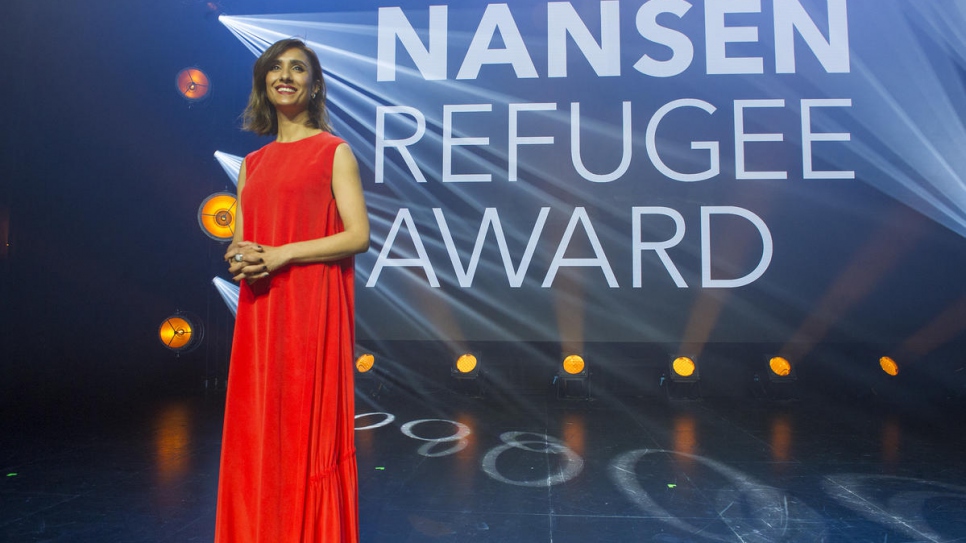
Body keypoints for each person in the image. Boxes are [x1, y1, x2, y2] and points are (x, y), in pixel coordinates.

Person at [214, 38, 369, 543]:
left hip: (310, 311)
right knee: (260, 433)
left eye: (298, 68)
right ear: (264, 83)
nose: (286, 75)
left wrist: (281, 255)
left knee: (305, 431)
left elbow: (357, 235)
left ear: (314, 84)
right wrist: (239, 258)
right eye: (275, 67)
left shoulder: (333, 151)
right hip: (261, 314)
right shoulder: (250, 165)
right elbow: (242, 238)